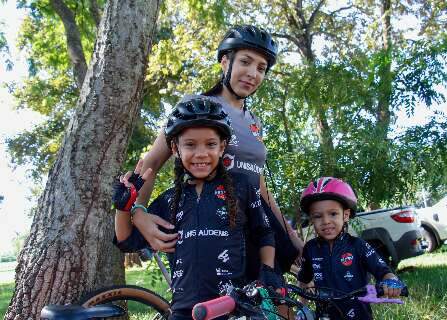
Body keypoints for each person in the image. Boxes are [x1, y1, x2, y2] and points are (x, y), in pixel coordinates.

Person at [128, 25, 302, 275]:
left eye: (261, 68)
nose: (253, 73)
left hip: (256, 220)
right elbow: (151, 163)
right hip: (215, 220)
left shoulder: (254, 121)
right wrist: (138, 212)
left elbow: (259, 185)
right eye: (245, 62)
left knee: (275, 303)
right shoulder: (197, 106)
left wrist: (289, 233)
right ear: (224, 62)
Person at [113, 98, 283, 320]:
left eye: (210, 144)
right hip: (184, 311)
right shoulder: (168, 200)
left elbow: (265, 234)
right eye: (190, 145)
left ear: (222, 147)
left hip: (234, 307)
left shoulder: (242, 187)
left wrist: (268, 272)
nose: (201, 153)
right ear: (175, 148)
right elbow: (126, 240)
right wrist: (124, 208)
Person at [297, 177, 405, 320]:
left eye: (333, 214)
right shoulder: (310, 249)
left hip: (360, 315)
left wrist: (392, 282)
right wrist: (302, 307)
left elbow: (384, 271)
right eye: (318, 216)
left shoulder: (358, 246)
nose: (326, 221)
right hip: (324, 315)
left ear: (346, 215)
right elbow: (304, 280)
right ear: (311, 219)